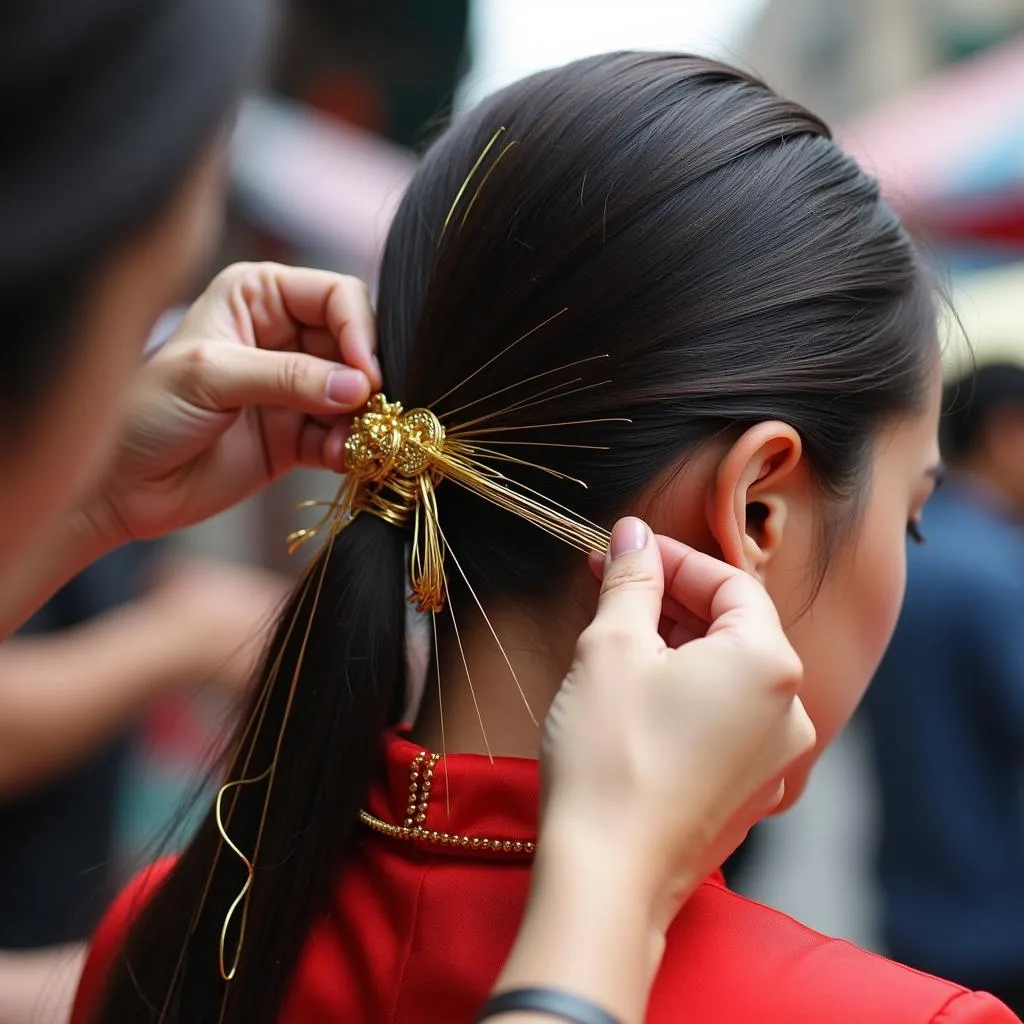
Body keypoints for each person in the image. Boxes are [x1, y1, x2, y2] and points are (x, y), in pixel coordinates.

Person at [69, 50, 1017, 1024]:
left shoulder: (170, 933)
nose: (908, 552)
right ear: (757, 512)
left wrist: (86, 508)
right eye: (909, 516)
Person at [863, 362, 1024, 1016]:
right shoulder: (997, 571)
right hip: (1002, 910)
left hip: (910, 897)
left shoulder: (904, 553)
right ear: (1007, 433)